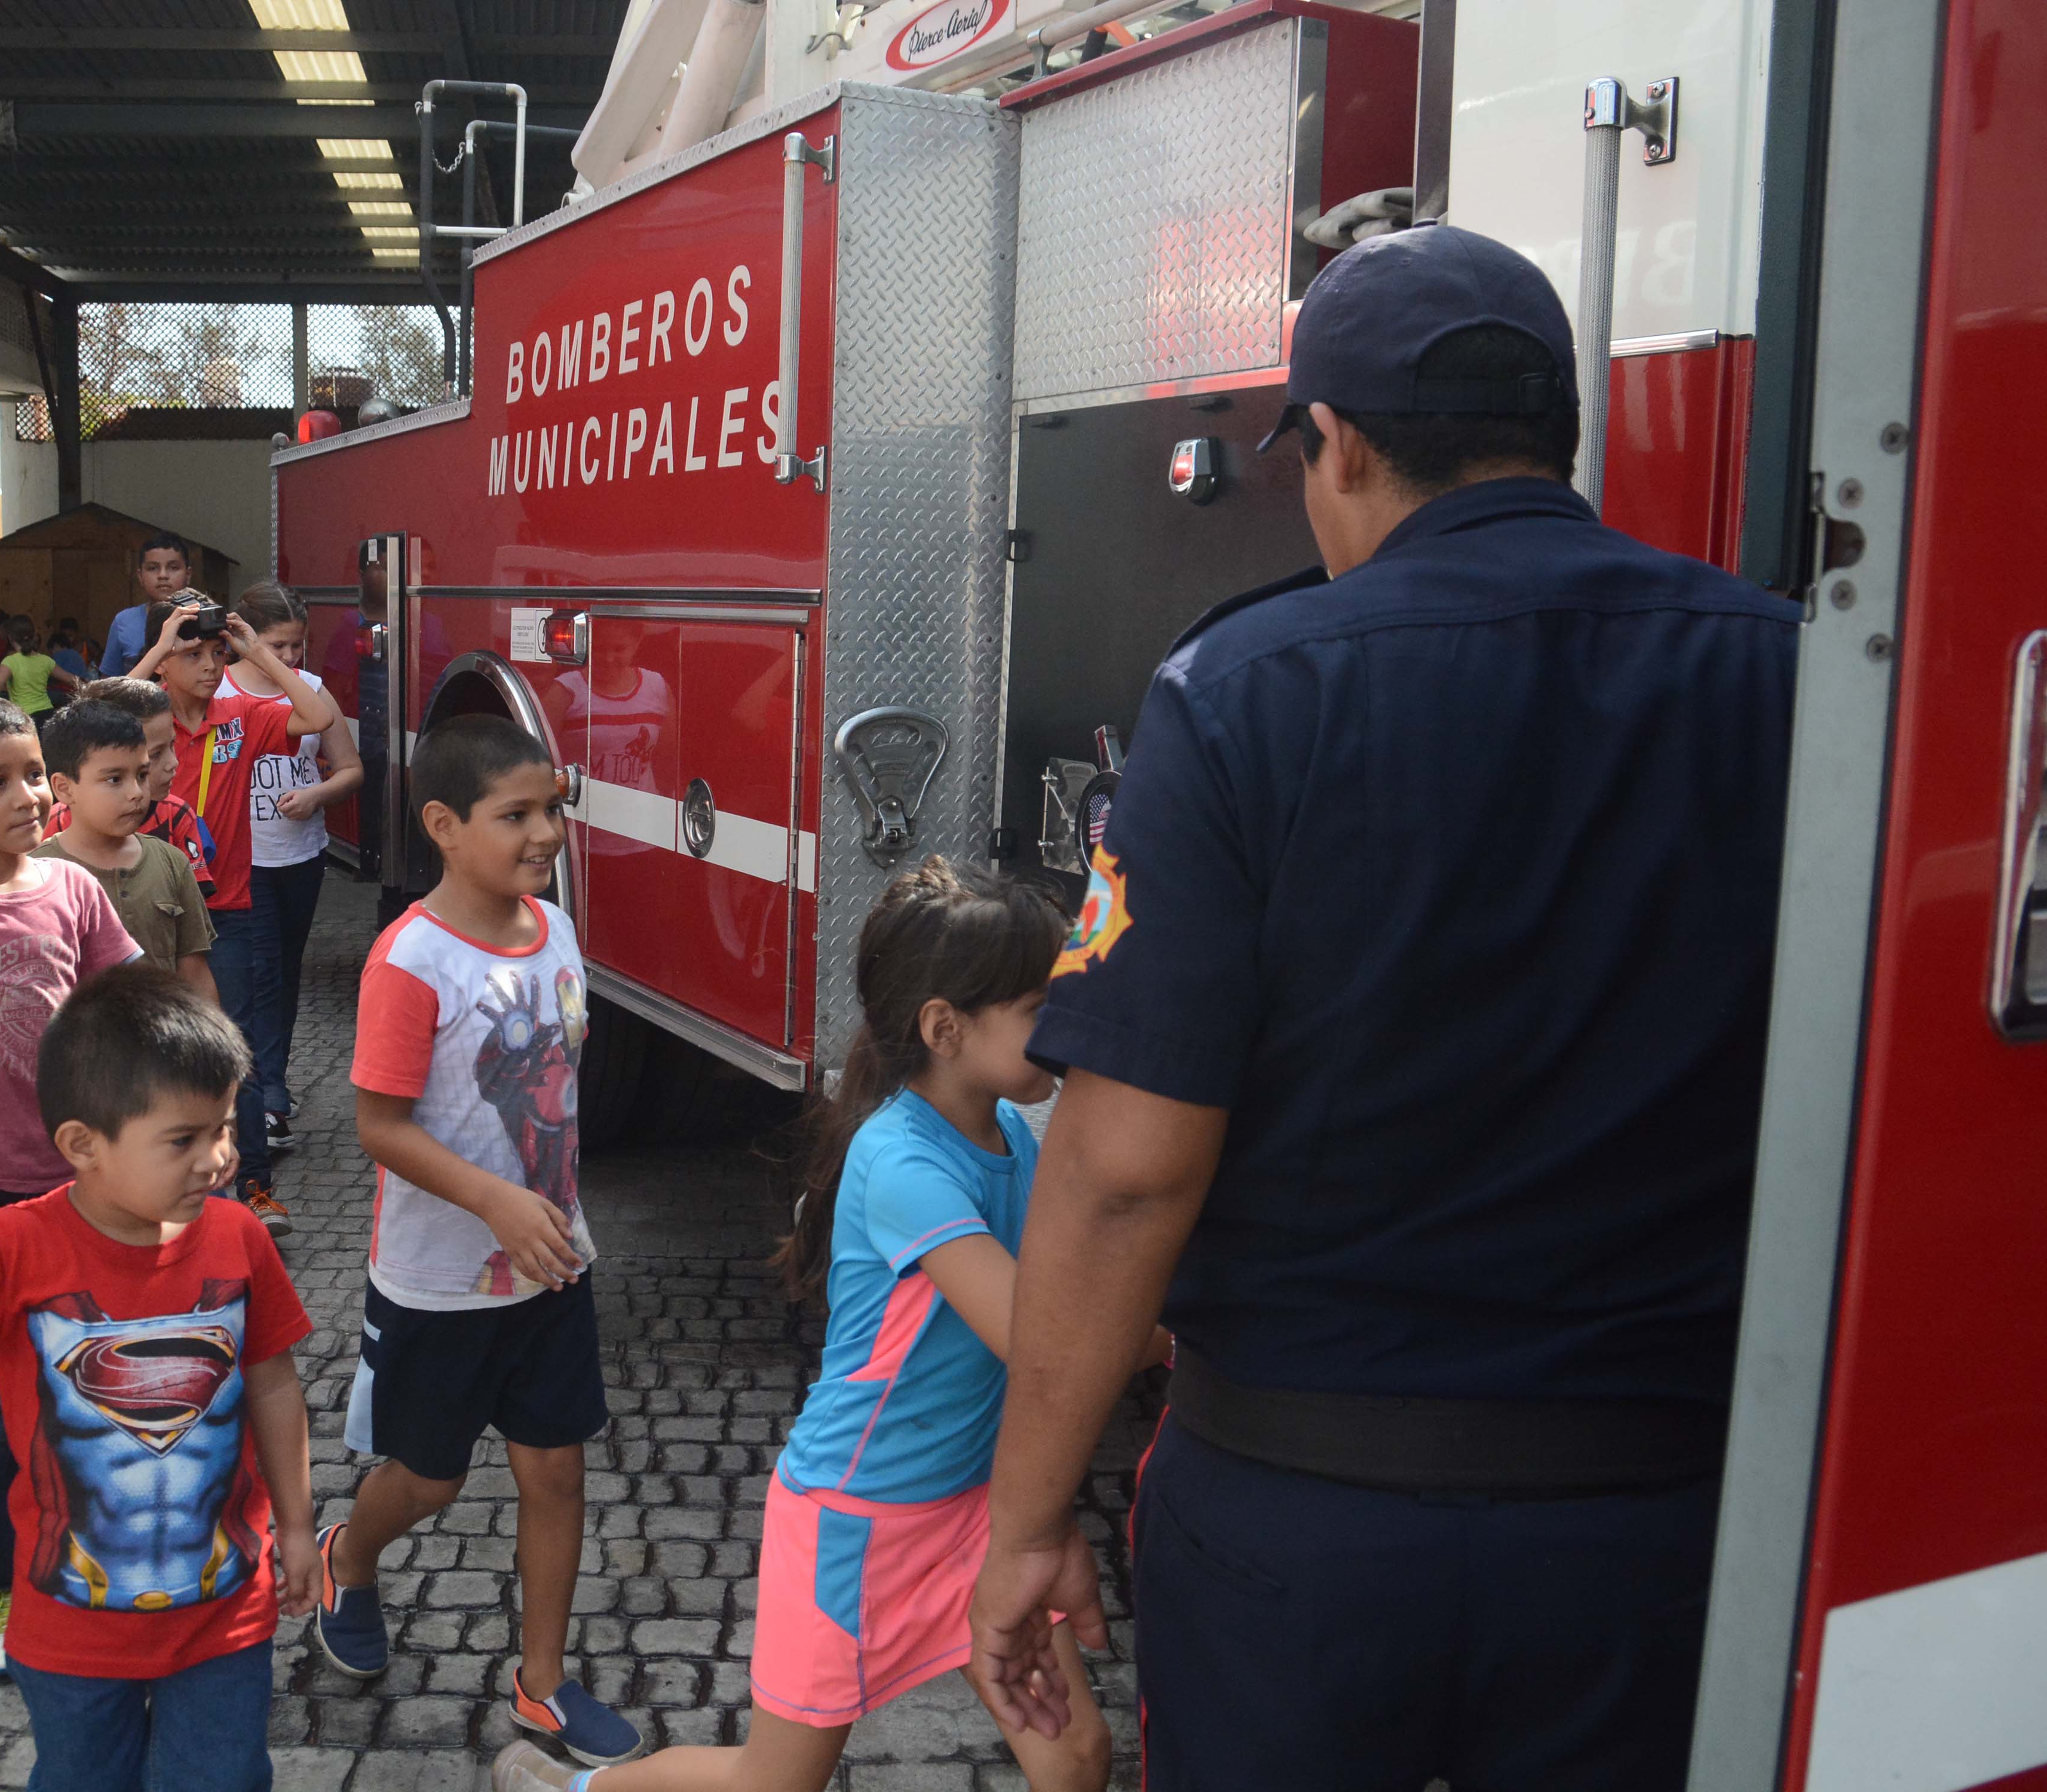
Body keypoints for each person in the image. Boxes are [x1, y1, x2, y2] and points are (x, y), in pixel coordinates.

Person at [966, 225, 1800, 1791]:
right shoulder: (1784, 673)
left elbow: (1128, 1164)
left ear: (1333, 446)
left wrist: (1026, 1524)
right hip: (1658, 1525)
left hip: (1302, 1522)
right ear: (1558, 433)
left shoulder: (1238, 695)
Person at [495, 859, 1124, 1792]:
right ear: (945, 1029)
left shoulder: (1017, 1132)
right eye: (1042, 1009)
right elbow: (1040, 1338)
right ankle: (581, 1789)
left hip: (978, 1512)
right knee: (774, 1783)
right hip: (858, 1523)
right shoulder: (904, 1161)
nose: (1065, 1030)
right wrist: (1162, 1330)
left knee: (1076, 1758)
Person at [0, 966, 319, 1792]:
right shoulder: (11, 1248)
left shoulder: (240, 1239)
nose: (219, 1159)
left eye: (226, 1129)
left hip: (224, 1621)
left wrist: (297, 1526)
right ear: (83, 1145)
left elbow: (273, 1384)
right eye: (184, 1140)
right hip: (70, 1638)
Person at [315, 716, 640, 1768]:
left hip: (551, 1272)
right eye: (517, 815)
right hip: (439, 1283)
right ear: (445, 827)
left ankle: (541, 1685)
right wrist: (496, 1203)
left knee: (556, 1473)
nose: (545, 831)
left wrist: (542, 1212)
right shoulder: (410, 959)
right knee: (432, 1477)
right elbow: (380, 1125)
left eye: (554, 807)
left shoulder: (554, 927)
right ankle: (347, 1556)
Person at [0, 691, 143, 1674]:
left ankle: (88, 1549)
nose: (26, 796)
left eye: (34, 774)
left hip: (67, 1181)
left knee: (78, 1384)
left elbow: (121, 1004)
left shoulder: (74, 891)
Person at [127, 597, 341, 1235]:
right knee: (144, 1044)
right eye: (189, 654)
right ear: (165, 662)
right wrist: (160, 645)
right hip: (142, 907)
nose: (206, 665)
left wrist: (256, 655)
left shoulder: (240, 716)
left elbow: (317, 714)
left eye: (212, 652)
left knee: (232, 1046)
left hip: (226, 909)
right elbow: (90, 716)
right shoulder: (146, 721)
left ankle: (251, 1187)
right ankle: (150, 1184)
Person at [222, 584, 362, 1149]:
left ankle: (271, 1083)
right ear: (246, 639)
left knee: (285, 973)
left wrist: (317, 796)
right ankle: (268, 1098)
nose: (288, 659)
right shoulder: (220, 687)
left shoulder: (314, 693)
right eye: (276, 647)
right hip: (243, 859)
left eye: (296, 648)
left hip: (301, 855)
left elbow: (350, 768)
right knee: (261, 975)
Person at [37, 698, 219, 1003]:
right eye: (114, 779)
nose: (136, 793)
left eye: (142, 776)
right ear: (64, 788)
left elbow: (195, 973)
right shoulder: (38, 871)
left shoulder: (172, 863)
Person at [49, 676, 218, 905]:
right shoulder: (54, 826)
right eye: (155, 754)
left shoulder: (177, 817)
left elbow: (191, 920)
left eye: (172, 745)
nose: (173, 763)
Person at [97, 532, 193, 677]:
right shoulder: (124, 621)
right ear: (140, 576)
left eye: (173, 568)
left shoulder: (203, 616)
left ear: (188, 574)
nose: (163, 575)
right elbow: (110, 682)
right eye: (153, 568)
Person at [0, 613, 79, 719]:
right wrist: (92, 692)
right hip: (47, 716)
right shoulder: (45, 660)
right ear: (34, 634)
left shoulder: (10, 662)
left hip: (25, 718)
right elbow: (73, 680)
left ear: (10, 638)